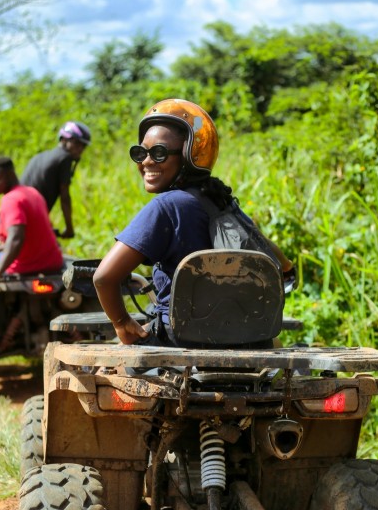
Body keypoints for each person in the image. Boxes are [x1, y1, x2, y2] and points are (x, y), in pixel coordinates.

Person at [93, 98, 292, 346]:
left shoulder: (166, 206)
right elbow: (283, 267)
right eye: (140, 152)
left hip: (180, 340)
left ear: (189, 154)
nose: (145, 162)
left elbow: (103, 278)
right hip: (248, 340)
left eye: (159, 153)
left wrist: (121, 322)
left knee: (109, 366)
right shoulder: (221, 201)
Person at [0, 157, 64, 297]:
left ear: (10, 175)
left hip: (27, 266)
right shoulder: (32, 192)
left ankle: (6, 313)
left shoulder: (10, 200)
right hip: (53, 262)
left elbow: (16, 239)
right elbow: (28, 237)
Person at [19, 120, 91, 238]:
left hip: (20, 218)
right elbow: (65, 197)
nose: (81, 149)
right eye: (77, 143)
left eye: (84, 146)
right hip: (30, 221)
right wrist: (69, 228)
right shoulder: (65, 158)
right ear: (64, 139)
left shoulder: (39, 156)